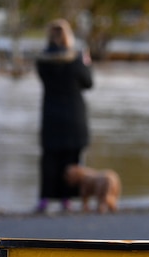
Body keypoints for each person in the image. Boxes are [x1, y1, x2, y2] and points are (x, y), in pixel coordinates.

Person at [35, 19, 93, 213]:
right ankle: (66, 199)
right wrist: (87, 63)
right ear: (69, 37)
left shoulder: (42, 61)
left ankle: (44, 199)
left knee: (49, 159)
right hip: (74, 116)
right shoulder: (76, 60)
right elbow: (88, 83)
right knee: (71, 158)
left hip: (51, 115)